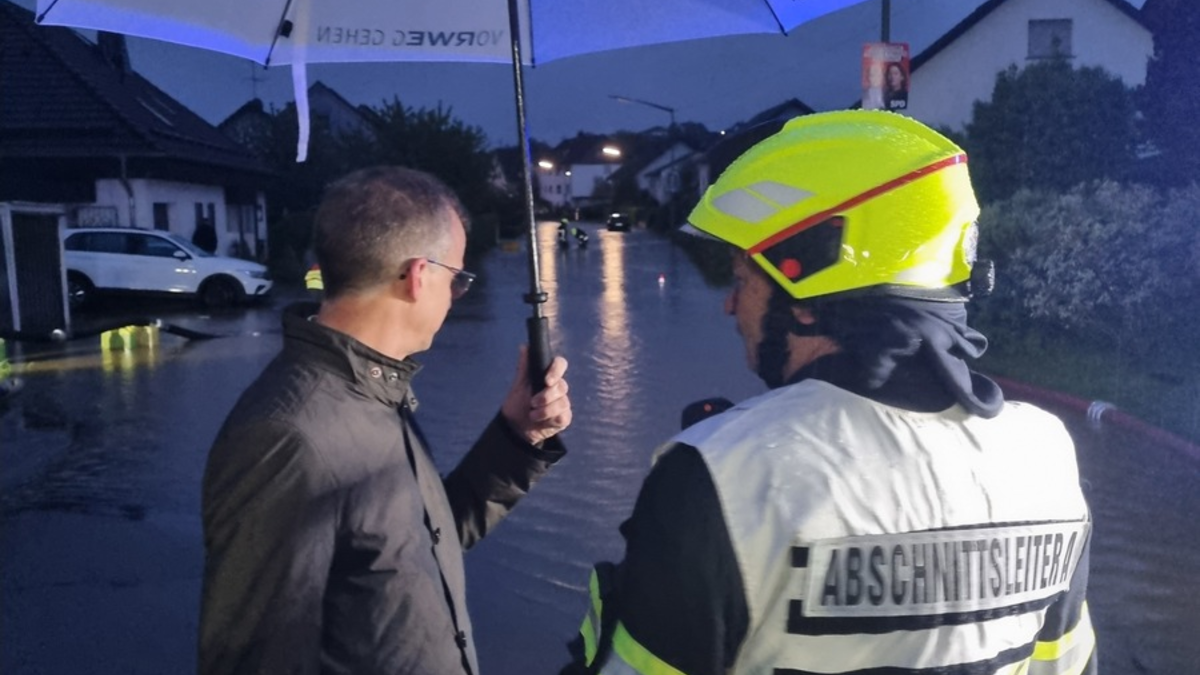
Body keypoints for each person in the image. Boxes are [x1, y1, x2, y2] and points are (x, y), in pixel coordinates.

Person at [564, 111, 1095, 675]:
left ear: (806, 294)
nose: (729, 304)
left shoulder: (721, 475)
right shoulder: (1046, 455)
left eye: (742, 280)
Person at [199, 166, 573, 675]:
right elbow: (254, 662)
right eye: (458, 278)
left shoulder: (373, 392)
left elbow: (416, 546)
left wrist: (519, 437)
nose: (456, 293)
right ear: (420, 276)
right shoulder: (288, 436)